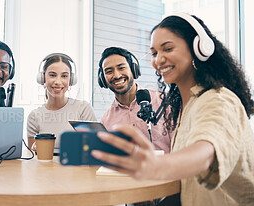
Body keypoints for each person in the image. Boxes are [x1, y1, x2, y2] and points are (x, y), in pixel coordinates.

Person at [92, 13, 254, 205]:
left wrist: (156, 166)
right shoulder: (185, 106)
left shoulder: (217, 100)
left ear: (199, 48)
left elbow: (204, 153)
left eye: (167, 49)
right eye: (154, 53)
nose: (158, 60)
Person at [98, 47, 171, 153]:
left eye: (121, 68)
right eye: (109, 71)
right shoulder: (106, 120)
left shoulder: (164, 102)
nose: (117, 75)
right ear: (103, 79)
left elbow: (180, 146)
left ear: (133, 69)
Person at [27, 53, 97, 149]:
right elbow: (31, 156)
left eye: (64, 76)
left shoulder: (83, 109)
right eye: (52, 75)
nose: (58, 82)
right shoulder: (34, 116)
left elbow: (94, 148)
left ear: (71, 80)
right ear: (42, 78)